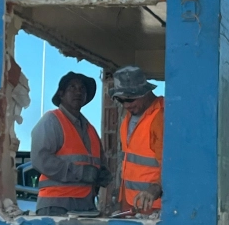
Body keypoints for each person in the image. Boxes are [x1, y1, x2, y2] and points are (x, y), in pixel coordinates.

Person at [31, 72, 110, 216]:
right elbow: (40, 159)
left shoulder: (90, 129)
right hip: (56, 205)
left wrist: (102, 173)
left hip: (86, 205)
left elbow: (98, 162)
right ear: (61, 94)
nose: (78, 92)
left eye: (82, 89)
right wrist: (81, 172)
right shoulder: (52, 121)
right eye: (72, 87)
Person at [112, 66, 164, 214]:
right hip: (131, 204)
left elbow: (171, 164)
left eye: (130, 99)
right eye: (121, 100)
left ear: (145, 92)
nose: (126, 105)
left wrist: (156, 188)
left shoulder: (161, 116)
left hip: (153, 205)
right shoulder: (128, 118)